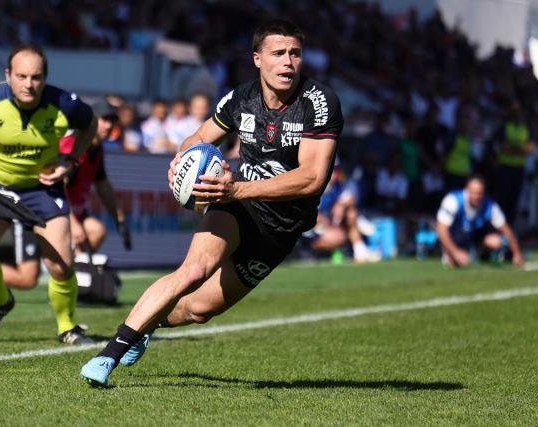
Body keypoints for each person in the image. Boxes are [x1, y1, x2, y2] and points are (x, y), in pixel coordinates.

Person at [81, 18, 344, 386]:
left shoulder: (319, 102)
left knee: (199, 309)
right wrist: (180, 162)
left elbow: (312, 178)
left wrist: (236, 189)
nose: (288, 62)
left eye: (295, 54)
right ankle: (109, 355)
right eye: (278, 53)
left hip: (279, 228)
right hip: (237, 206)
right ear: (257, 59)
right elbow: (198, 137)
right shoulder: (240, 98)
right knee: (193, 270)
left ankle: (147, 325)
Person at [0, 44, 97, 344]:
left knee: (61, 265)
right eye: (21, 76)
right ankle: (1, 301)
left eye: (36, 77)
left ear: (46, 78)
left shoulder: (65, 104)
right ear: (8, 75)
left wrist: (70, 161)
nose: (29, 84)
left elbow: (90, 124)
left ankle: (67, 326)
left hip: (43, 189)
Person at [61, 100, 132, 254]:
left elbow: (103, 186)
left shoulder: (97, 149)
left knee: (97, 231)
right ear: (93, 120)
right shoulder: (75, 145)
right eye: (104, 120)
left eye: (112, 121)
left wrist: (120, 219)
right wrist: (72, 224)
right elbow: (57, 187)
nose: (109, 125)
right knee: (28, 278)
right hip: (56, 212)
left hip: (75, 213)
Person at [435, 175, 525, 268]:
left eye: (480, 193)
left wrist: (517, 253)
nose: (477, 196)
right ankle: (451, 254)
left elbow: (506, 229)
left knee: (496, 242)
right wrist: (455, 252)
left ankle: (478, 254)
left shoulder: (489, 204)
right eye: (474, 193)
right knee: (453, 263)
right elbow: (441, 230)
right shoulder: (453, 201)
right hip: (453, 239)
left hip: (472, 238)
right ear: (467, 190)